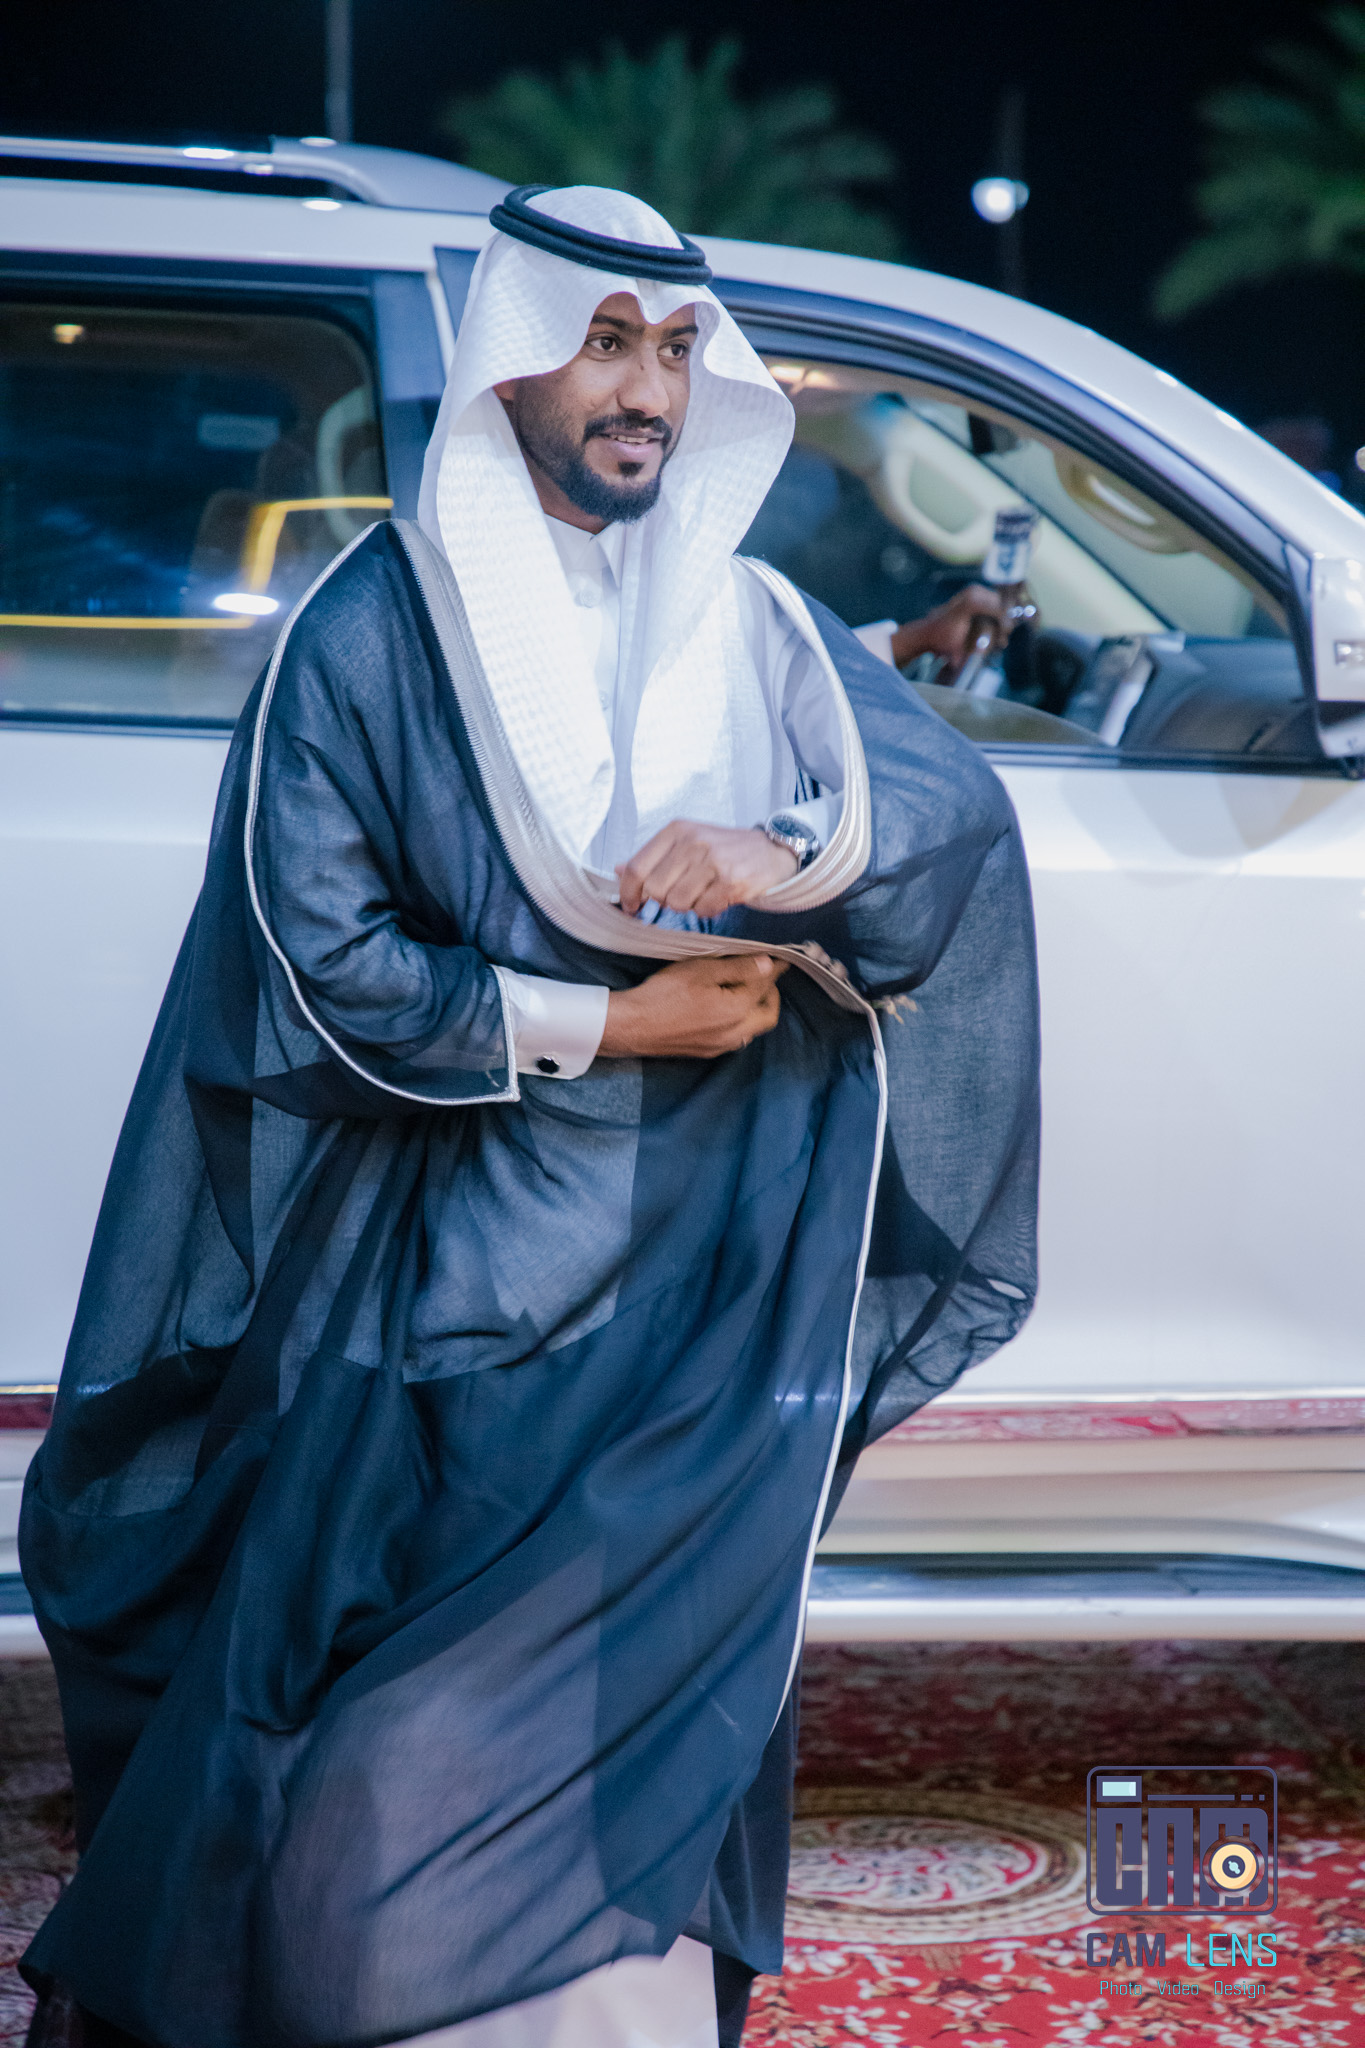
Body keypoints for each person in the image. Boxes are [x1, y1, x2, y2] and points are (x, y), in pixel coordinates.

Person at [20, 186, 1040, 2048]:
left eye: (674, 350)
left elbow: (933, 815)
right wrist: (614, 1019)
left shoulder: (748, 616)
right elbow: (315, 954)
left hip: (711, 1287)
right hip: (455, 1284)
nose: (643, 389)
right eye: (603, 343)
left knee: (639, 1700)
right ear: (510, 362)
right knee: (388, 1725)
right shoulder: (374, 628)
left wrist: (781, 853)